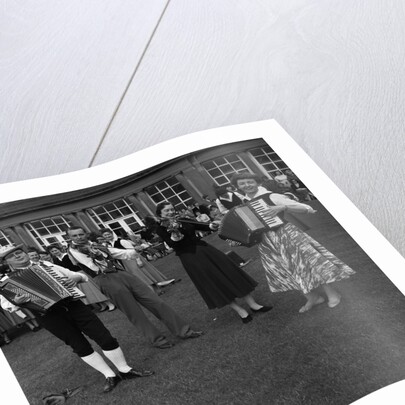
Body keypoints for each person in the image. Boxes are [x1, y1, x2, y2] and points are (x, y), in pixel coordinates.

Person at [0, 245, 153, 393]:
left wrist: (75, 279)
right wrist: (17, 302)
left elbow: (81, 276)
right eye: (12, 255)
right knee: (79, 345)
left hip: (74, 305)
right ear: (6, 262)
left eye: (19, 252)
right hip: (49, 316)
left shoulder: (45, 264)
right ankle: (109, 375)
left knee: (104, 337)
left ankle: (125, 370)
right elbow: (7, 304)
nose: (18, 255)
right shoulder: (7, 281)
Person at [230, 173, 355, 313]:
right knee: (286, 269)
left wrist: (283, 208)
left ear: (257, 182)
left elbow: (307, 209)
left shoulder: (272, 196)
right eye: (242, 183)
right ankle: (313, 297)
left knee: (310, 262)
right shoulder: (244, 205)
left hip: (287, 234)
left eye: (249, 181)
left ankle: (332, 293)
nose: (247, 185)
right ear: (238, 187)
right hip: (266, 242)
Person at [66, 227, 203, 349]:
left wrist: (134, 251)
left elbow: (114, 252)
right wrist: (99, 253)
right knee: (135, 313)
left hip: (121, 273)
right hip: (105, 279)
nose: (78, 238)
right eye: (74, 236)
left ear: (85, 234)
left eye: (80, 234)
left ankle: (184, 331)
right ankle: (158, 340)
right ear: (69, 238)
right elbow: (93, 266)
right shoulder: (73, 251)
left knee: (156, 302)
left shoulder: (94, 244)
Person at [155, 202, 272, 323]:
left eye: (171, 209)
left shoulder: (181, 219)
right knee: (214, 282)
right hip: (190, 258)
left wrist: (212, 226)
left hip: (205, 250)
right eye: (166, 211)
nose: (170, 212)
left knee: (230, 273)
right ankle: (240, 311)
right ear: (160, 214)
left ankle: (253, 305)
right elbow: (173, 244)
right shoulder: (161, 228)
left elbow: (203, 226)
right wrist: (175, 233)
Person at [99, 228, 176, 294]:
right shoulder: (108, 245)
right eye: (105, 235)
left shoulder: (122, 241)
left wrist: (138, 260)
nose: (107, 236)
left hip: (133, 260)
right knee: (142, 277)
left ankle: (155, 291)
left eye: (108, 234)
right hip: (125, 263)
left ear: (112, 233)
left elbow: (134, 251)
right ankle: (156, 291)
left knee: (144, 275)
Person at [47, 244, 116, 312]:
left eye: (55, 250)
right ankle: (102, 305)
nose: (55, 252)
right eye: (52, 251)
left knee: (94, 290)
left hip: (80, 274)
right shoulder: (56, 260)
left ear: (59, 249)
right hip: (72, 277)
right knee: (88, 293)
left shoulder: (68, 255)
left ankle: (109, 304)